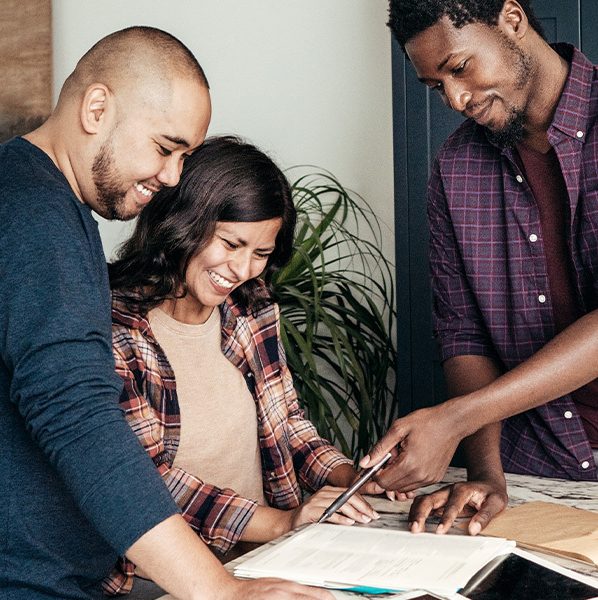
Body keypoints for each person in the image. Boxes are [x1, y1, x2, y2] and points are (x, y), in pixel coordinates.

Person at [0, 26, 333, 600]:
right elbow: (77, 416)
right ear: (97, 108)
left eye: (183, 157)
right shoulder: (36, 216)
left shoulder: (49, 206)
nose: (173, 177)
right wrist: (221, 591)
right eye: (164, 148)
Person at [105, 135, 382, 596]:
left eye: (261, 253)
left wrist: (353, 479)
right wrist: (282, 522)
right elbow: (146, 484)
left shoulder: (251, 309)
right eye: (231, 243)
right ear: (183, 222)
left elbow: (288, 425)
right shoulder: (114, 327)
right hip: (164, 582)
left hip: (266, 560)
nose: (242, 269)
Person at [362, 0, 598, 535]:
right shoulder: (455, 168)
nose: (455, 99)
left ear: (511, 19)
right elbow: (465, 334)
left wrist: (453, 418)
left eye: (459, 68)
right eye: (434, 86)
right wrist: (486, 473)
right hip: (535, 470)